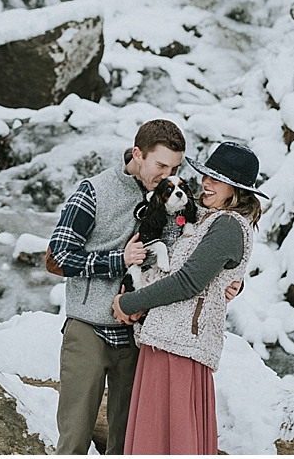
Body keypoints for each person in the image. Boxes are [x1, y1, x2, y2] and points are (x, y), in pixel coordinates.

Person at [112, 141, 267, 455]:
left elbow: (188, 282)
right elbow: (212, 272)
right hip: (170, 338)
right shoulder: (211, 219)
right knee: (158, 439)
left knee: (167, 441)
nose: (205, 183)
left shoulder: (226, 225)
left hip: (181, 346)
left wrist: (129, 304)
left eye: (216, 179)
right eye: (205, 175)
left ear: (237, 190)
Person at [48, 119, 185, 455]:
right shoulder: (94, 190)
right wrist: (116, 261)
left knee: (130, 444)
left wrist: (231, 281)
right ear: (137, 154)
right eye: (161, 165)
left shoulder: (170, 194)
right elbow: (57, 258)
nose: (167, 174)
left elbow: (186, 252)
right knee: (75, 438)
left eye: (175, 167)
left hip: (138, 336)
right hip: (88, 330)